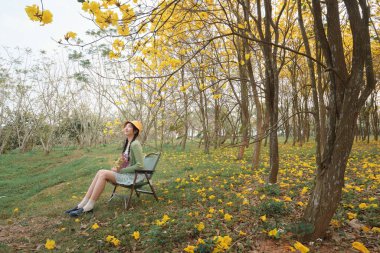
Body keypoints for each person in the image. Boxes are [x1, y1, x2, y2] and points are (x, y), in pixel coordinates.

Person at [65, 120, 145, 217]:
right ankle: (82, 204)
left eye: (130, 127)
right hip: (127, 174)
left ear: (135, 131)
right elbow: (125, 162)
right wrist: (117, 167)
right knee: (100, 172)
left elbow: (140, 165)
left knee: (103, 173)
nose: (126, 128)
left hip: (134, 177)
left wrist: (121, 170)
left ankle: (89, 206)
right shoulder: (128, 143)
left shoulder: (135, 144)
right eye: (126, 126)